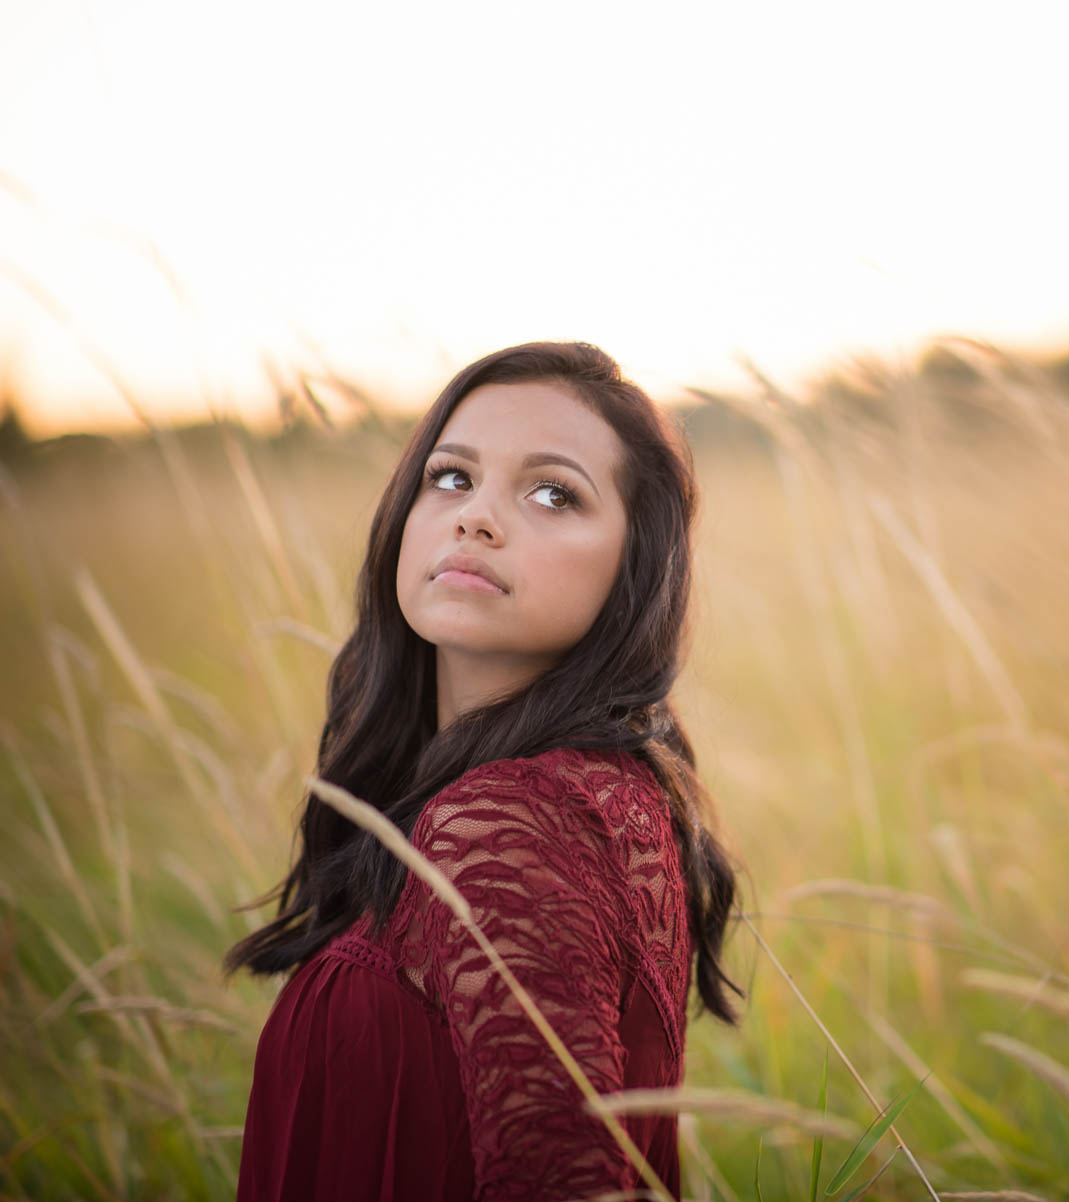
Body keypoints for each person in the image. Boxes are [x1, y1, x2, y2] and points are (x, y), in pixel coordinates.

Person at [222, 341, 743, 1201]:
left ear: (633, 568)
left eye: (552, 493)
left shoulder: (513, 820)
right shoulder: (595, 792)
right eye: (452, 478)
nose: (476, 518)